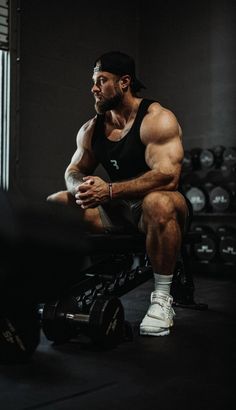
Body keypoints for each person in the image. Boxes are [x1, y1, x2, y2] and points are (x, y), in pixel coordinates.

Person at [47, 50, 189, 337]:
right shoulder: (91, 129)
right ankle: (57, 285)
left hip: (161, 210)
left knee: (158, 201)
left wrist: (109, 190)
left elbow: (168, 176)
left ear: (124, 82)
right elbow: (73, 170)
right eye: (93, 81)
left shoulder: (156, 119)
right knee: (57, 203)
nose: (94, 88)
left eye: (102, 80)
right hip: (119, 210)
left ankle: (162, 300)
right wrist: (80, 188)